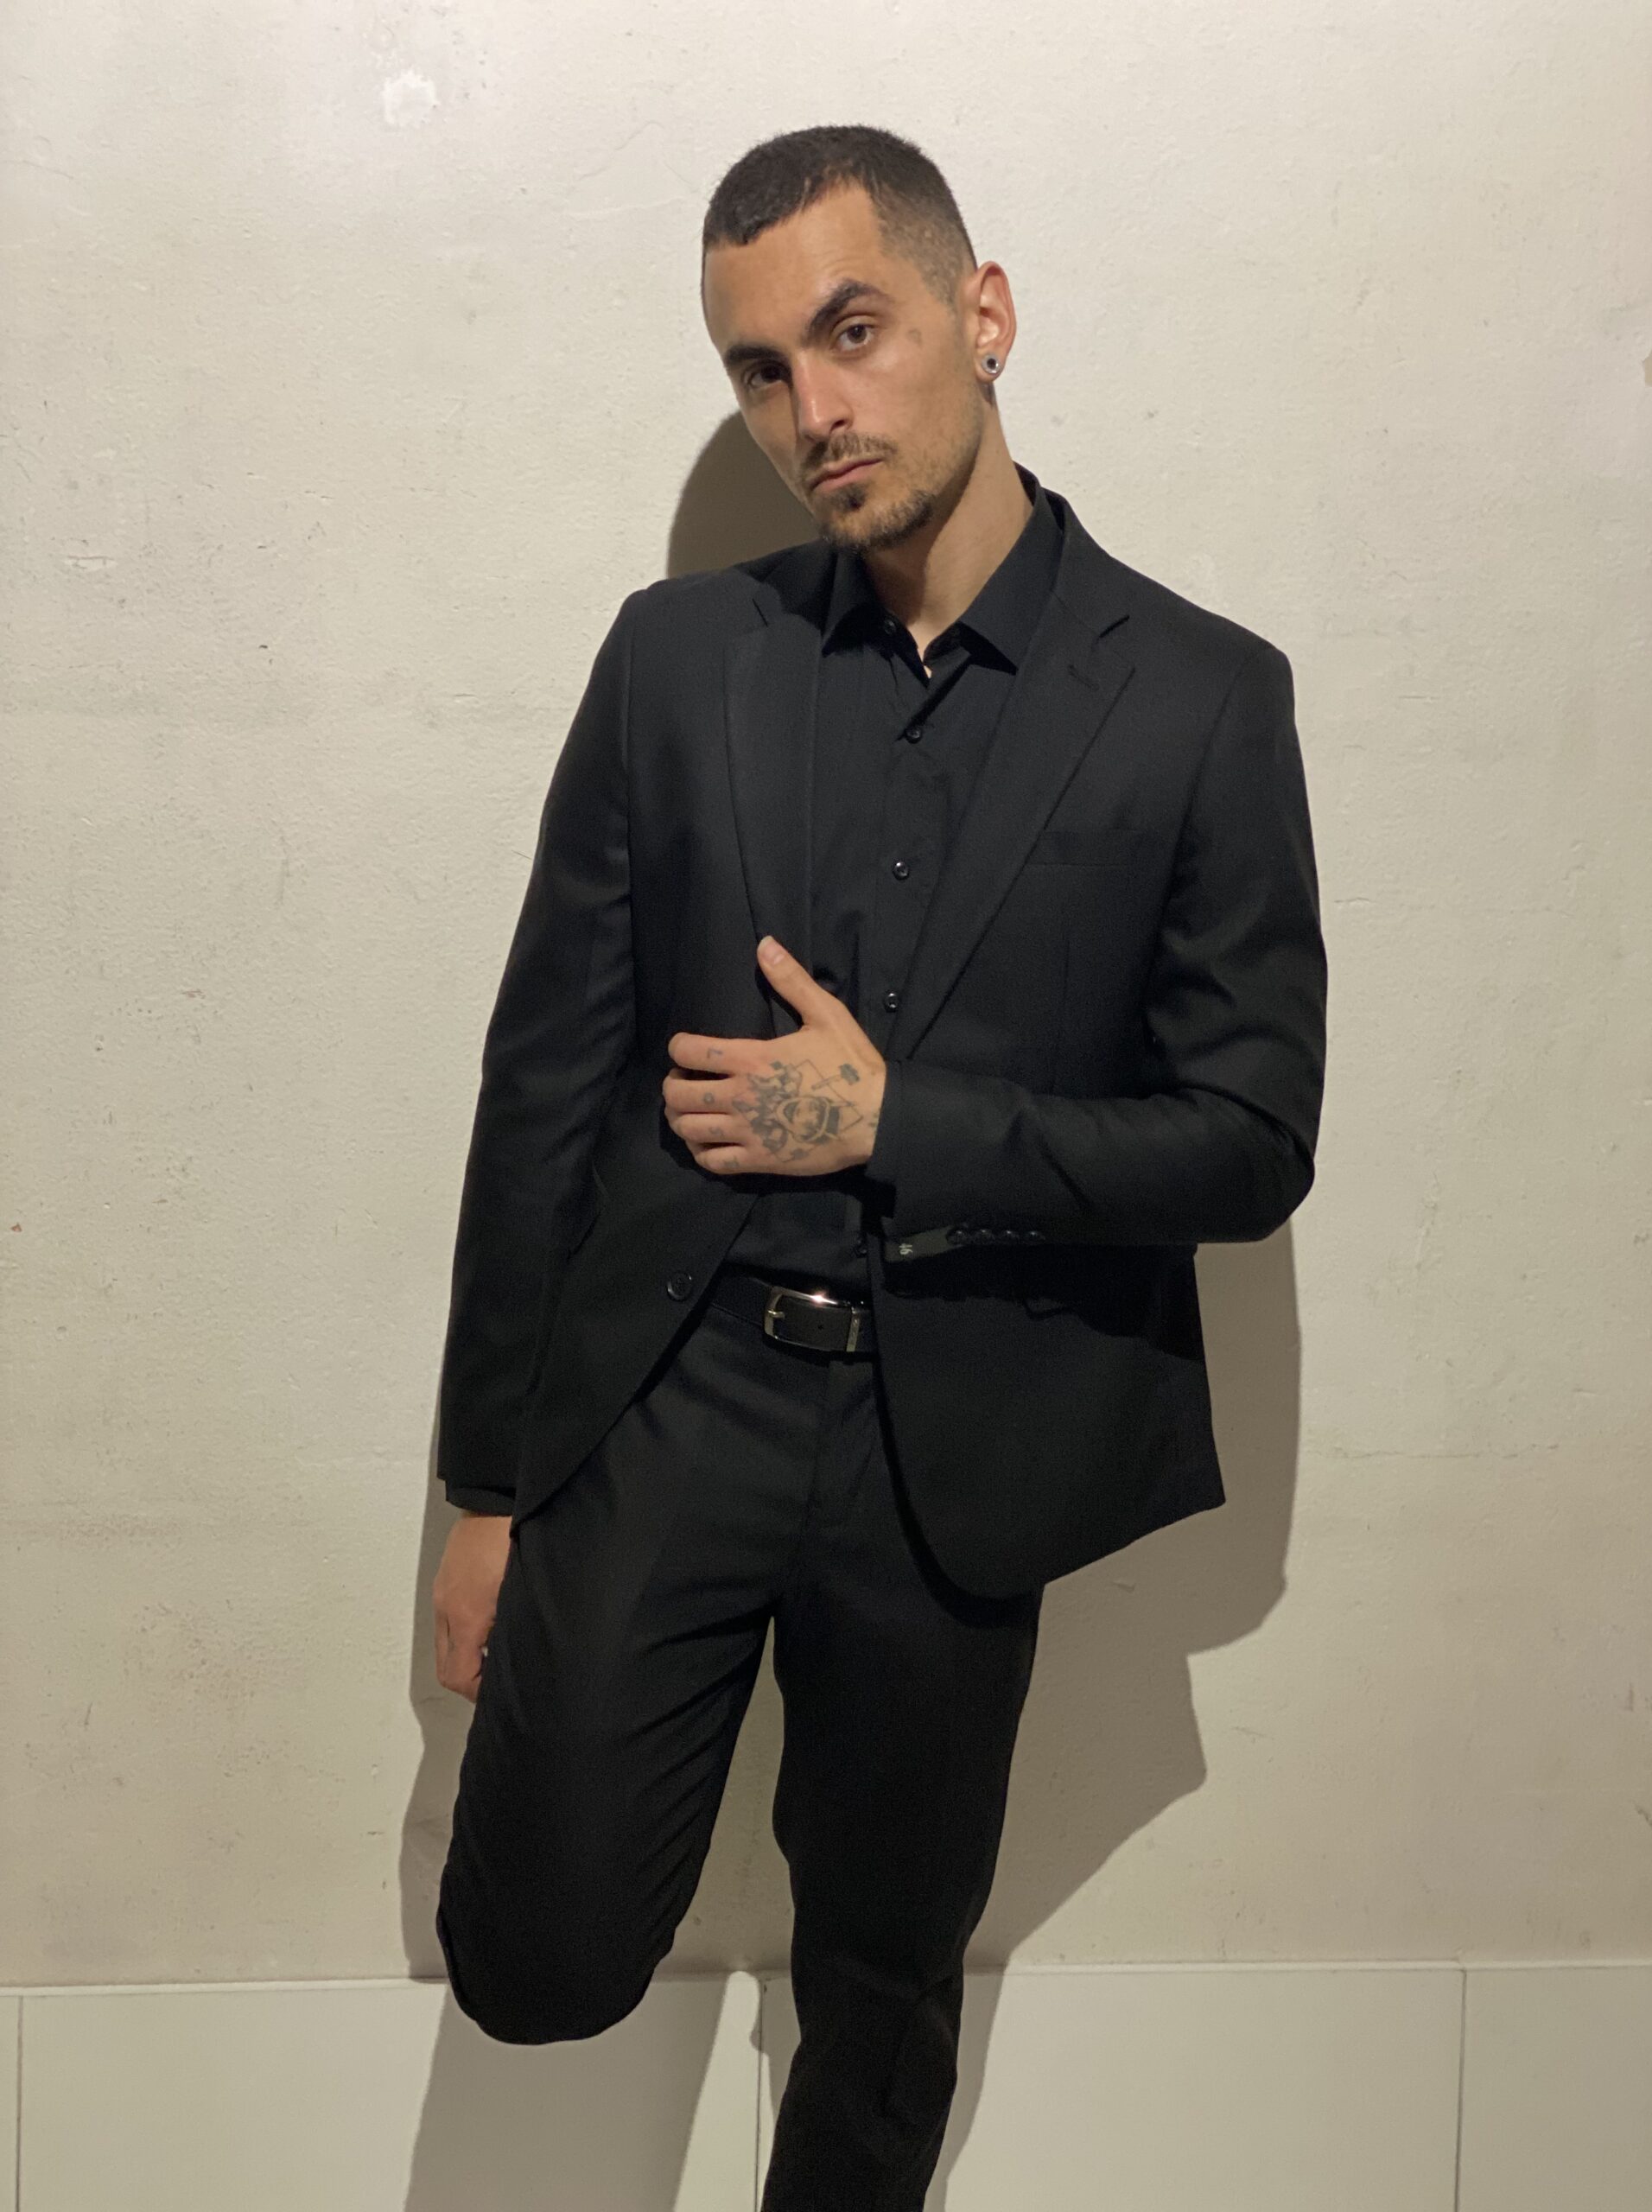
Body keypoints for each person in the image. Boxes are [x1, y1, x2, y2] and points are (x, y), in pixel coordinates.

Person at [429, 122, 1326, 2209]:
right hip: (675, 1390)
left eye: (854, 332)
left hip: (962, 1433)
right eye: (759, 368)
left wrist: (892, 1121)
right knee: (534, 1947)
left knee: (883, 1983)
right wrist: (485, 1485)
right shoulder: (677, 661)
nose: (812, 409)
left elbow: (1252, 1134)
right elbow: (541, 1085)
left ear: (981, 313)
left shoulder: (1202, 699)